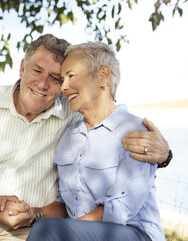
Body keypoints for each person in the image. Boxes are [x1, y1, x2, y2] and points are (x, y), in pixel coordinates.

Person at [0, 34, 171, 241]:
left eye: (59, 78)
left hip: (69, 230)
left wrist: (165, 154)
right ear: (22, 68)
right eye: (37, 71)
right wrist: (12, 211)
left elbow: (106, 108)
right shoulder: (70, 131)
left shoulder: (88, 119)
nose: (55, 86)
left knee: (48, 232)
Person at [24, 42, 165, 241]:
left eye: (71, 76)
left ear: (102, 76)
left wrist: (64, 229)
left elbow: (119, 210)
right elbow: (64, 203)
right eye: (62, 79)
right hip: (79, 233)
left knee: (48, 231)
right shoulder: (68, 137)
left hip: (134, 233)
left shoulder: (134, 131)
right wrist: (33, 214)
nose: (64, 87)